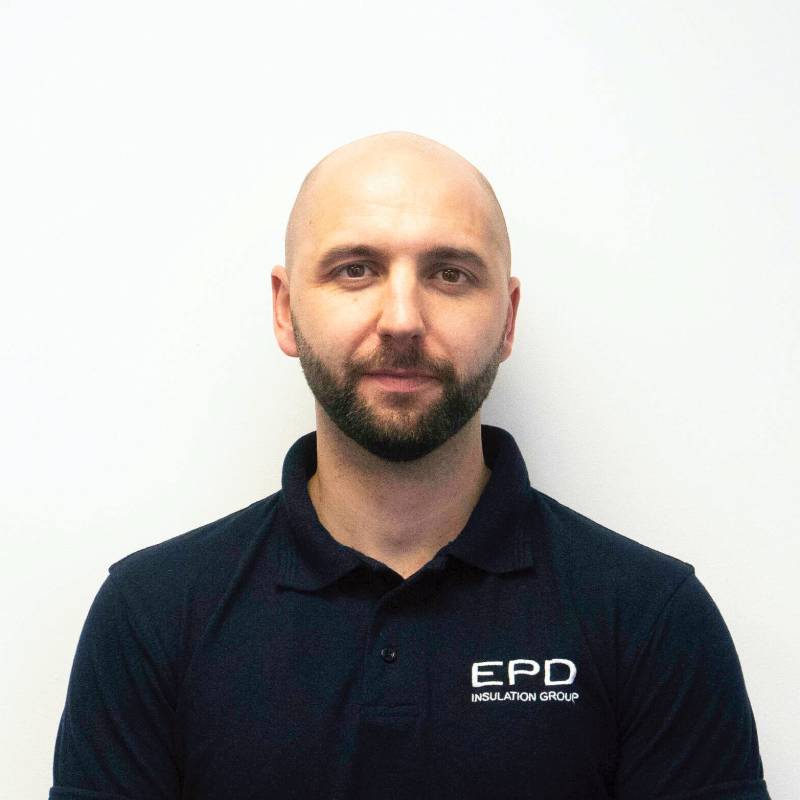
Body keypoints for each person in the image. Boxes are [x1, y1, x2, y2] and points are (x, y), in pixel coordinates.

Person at [50, 132, 770, 800]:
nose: (402, 318)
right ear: (284, 308)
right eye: (355, 270)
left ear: (509, 317)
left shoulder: (651, 619)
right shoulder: (150, 617)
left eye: (450, 274)